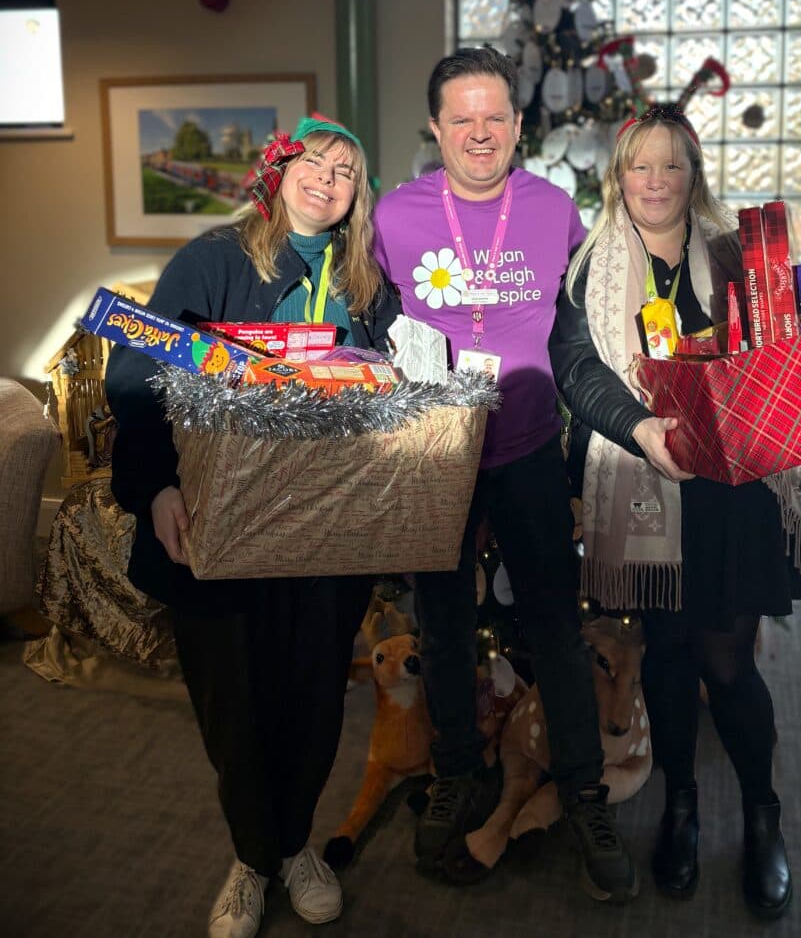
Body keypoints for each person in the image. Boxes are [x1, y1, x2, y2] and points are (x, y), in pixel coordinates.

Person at [548, 103, 801, 920]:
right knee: (669, 658)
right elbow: (577, 369)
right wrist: (640, 428)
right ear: (619, 176)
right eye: (638, 165)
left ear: (693, 175)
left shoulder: (737, 253)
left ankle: (761, 814)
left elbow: (797, 350)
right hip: (648, 483)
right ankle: (681, 805)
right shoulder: (588, 268)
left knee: (726, 662)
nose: (653, 180)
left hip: (736, 494)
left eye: (670, 164)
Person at [106, 116, 399, 938]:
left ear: (356, 195)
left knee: (311, 698)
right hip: (214, 526)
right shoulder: (212, 258)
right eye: (313, 161)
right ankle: (251, 856)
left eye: (346, 170)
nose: (328, 178)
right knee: (234, 705)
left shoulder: (365, 278)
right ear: (277, 171)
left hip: (326, 530)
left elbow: (395, 380)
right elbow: (135, 371)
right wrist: (156, 487)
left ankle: (296, 842)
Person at [372, 46, 637, 903]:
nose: (480, 133)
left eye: (495, 117)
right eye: (462, 119)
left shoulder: (556, 208)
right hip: (435, 454)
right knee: (444, 627)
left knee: (556, 630)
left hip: (524, 447)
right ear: (436, 128)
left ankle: (589, 797)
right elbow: (363, 323)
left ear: (519, 125)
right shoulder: (393, 216)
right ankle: (456, 774)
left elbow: (587, 321)